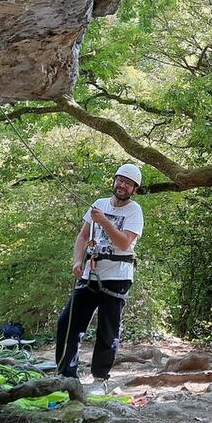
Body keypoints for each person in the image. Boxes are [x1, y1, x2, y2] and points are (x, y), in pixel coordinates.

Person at [56, 163, 144, 394]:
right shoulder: (99, 204)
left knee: (107, 329)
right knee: (68, 323)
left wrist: (104, 221)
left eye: (128, 183)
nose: (122, 185)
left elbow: (124, 242)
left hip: (117, 276)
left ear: (134, 189)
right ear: (114, 181)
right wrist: (77, 261)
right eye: (120, 180)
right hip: (90, 273)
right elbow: (83, 236)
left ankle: (99, 379)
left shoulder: (134, 211)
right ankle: (66, 375)